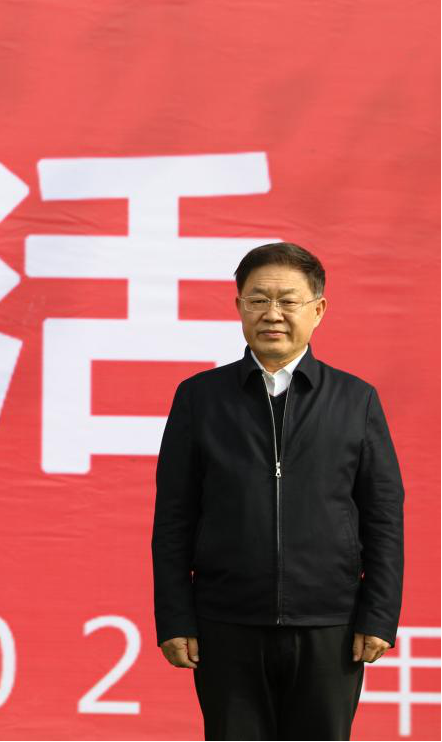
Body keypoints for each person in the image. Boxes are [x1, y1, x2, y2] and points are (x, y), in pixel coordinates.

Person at [152, 241, 404, 740]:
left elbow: (383, 517)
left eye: (288, 301)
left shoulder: (355, 399)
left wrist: (378, 614)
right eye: (258, 300)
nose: (273, 314)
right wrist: (175, 616)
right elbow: (175, 517)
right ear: (239, 306)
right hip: (226, 622)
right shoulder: (200, 398)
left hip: (330, 625)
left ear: (318, 309)